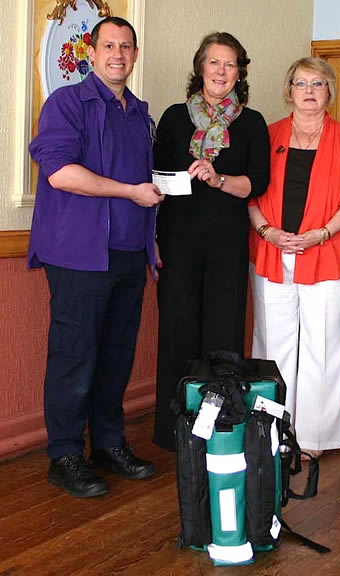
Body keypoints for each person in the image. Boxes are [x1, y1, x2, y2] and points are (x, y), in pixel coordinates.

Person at [28, 17, 163, 498]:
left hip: (129, 255)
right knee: (74, 357)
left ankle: (107, 444)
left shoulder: (138, 114)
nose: (118, 55)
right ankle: (64, 455)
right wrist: (130, 192)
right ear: (91, 52)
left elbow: (150, 187)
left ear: (135, 52)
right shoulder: (66, 103)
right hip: (79, 256)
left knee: (115, 357)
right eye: (109, 46)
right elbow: (61, 173)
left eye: (126, 47)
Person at [153, 32, 270, 451]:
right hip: (178, 241)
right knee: (177, 332)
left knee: (222, 337)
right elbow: (156, 178)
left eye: (231, 64)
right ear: (200, 67)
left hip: (226, 245)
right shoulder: (172, 117)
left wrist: (217, 178)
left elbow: (256, 184)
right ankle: (174, 431)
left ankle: (220, 428)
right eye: (214, 63)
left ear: (240, 73)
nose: (221, 71)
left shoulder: (252, 123)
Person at [249, 58, 340, 458]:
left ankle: (314, 439)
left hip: (328, 253)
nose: (309, 90)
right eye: (300, 82)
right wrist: (268, 231)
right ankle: (270, 434)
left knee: (323, 348)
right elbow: (249, 193)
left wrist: (320, 233)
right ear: (289, 90)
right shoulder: (269, 135)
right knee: (273, 347)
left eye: (318, 83)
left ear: (329, 91)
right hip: (273, 251)